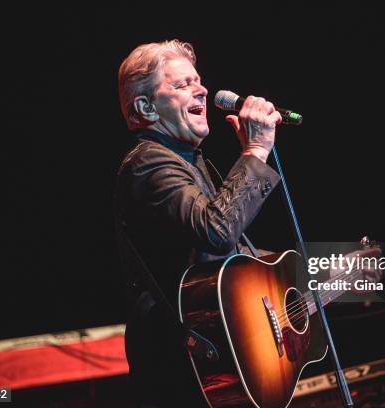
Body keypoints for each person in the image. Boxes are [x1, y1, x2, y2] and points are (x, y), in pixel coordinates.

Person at [115, 39, 283, 407]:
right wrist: (255, 152)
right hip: (178, 372)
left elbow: (227, 259)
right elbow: (217, 232)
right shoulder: (150, 164)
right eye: (180, 85)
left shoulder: (190, 160)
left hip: (206, 366)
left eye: (198, 80)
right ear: (145, 107)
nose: (202, 89)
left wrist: (315, 270)